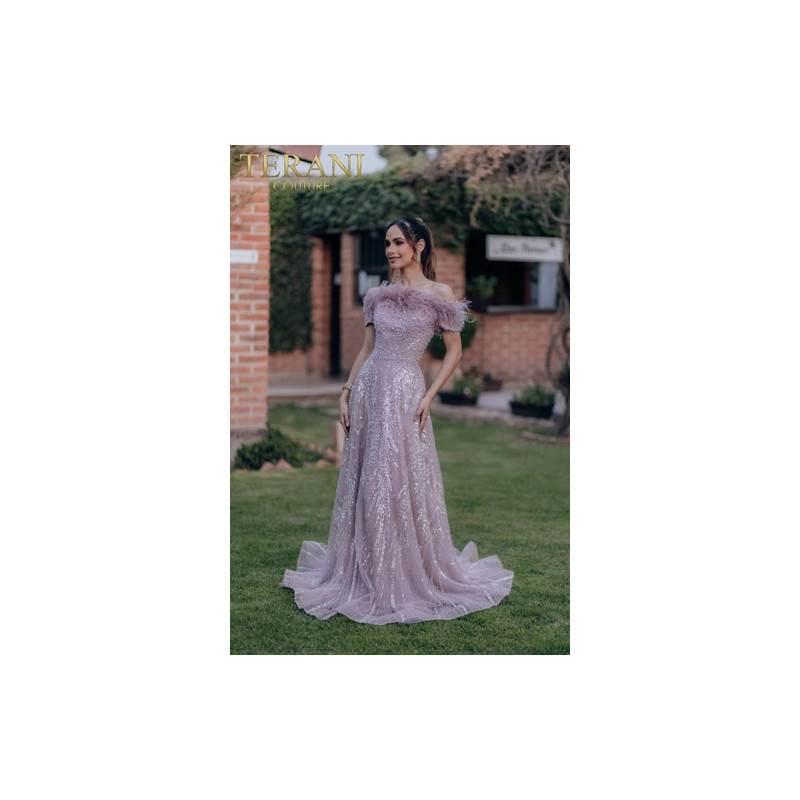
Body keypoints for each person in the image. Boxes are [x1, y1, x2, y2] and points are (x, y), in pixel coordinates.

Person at [281, 217, 513, 624]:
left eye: (398, 242)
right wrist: (346, 391)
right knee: (368, 479)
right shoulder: (378, 295)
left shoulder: (439, 294)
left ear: (418, 246)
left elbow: (455, 351)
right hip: (371, 390)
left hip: (406, 391)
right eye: (387, 243)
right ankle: (367, 569)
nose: (390, 250)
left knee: (396, 478)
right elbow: (367, 348)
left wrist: (429, 396)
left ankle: (401, 570)